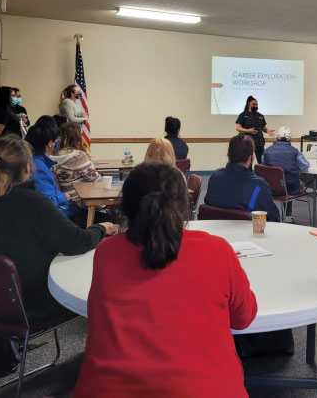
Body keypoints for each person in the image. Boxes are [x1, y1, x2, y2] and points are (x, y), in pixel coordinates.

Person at [74, 162, 257, 397]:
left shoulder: (106, 252)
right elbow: (243, 318)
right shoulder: (217, 250)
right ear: (184, 207)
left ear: (125, 207)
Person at [0, 136, 118, 320]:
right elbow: (78, 242)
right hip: (31, 301)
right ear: (27, 169)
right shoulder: (33, 203)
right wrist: (101, 228)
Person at [205, 134, 280, 221]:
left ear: (228, 154)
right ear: (251, 157)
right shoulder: (259, 186)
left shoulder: (214, 178)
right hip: (246, 232)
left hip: (214, 231)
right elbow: (273, 219)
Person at [26, 123, 84, 222]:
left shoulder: (38, 161)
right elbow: (47, 202)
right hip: (55, 218)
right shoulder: (39, 168)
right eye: (56, 140)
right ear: (50, 143)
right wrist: (64, 197)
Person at [262, 126, 309, 220]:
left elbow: (263, 167)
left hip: (271, 189)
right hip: (291, 189)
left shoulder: (266, 151)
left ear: (277, 137)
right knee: (288, 181)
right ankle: (288, 216)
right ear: (290, 139)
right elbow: (304, 166)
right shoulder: (295, 151)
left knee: (283, 182)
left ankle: (270, 216)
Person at [51, 122, 100, 201]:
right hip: (81, 200)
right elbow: (95, 179)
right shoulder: (77, 157)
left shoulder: (54, 155)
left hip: (64, 198)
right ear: (77, 138)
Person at [235, 96, 274, 164]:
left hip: (259, 142)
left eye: (256, 104)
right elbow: (238, 128)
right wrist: (248, 131)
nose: (255, 106)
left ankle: (261, 174)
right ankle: (247, 174)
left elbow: (263, 127)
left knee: (261, 162)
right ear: (248, 105)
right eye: (253, 104)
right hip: (248, 143)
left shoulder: (260, 116)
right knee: (248, 162)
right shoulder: (243, 115)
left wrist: (267, 130)